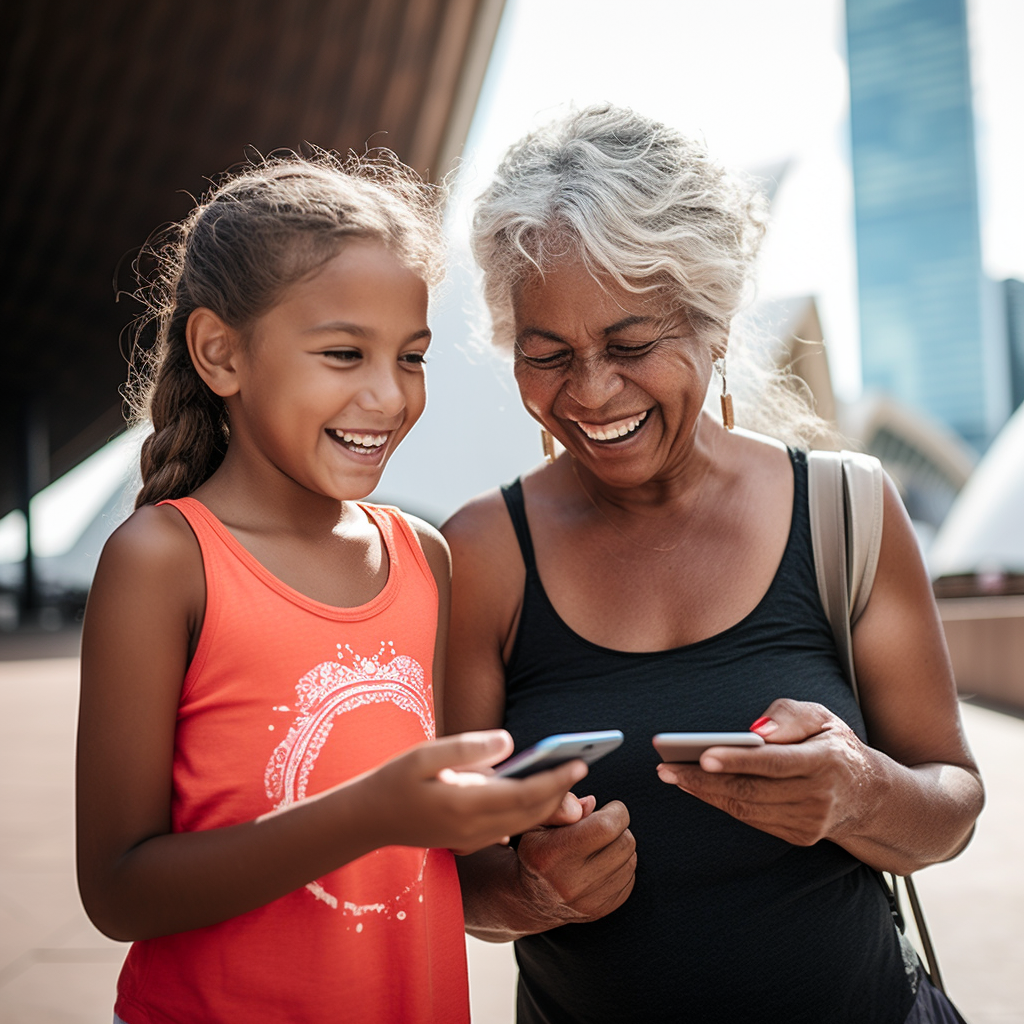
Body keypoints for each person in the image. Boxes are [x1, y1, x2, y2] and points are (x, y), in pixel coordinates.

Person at [441, 106, 983, 1024]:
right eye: (547, 355)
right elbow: (447, 868)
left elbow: (952, 806)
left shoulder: (843, 511)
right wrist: (532, 896)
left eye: (631, 344)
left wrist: (858, 791)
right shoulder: (485, 555)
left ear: (715, 319)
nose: (591, 392)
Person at [75, 151, 590, 1024]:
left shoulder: (423, 557)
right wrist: (371, 814)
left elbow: (435, 866)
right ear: (219, 352)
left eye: (413, 358)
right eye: (344, 353)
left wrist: (535, 869)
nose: (388, 396)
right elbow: (119, 891)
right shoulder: (163, 561)